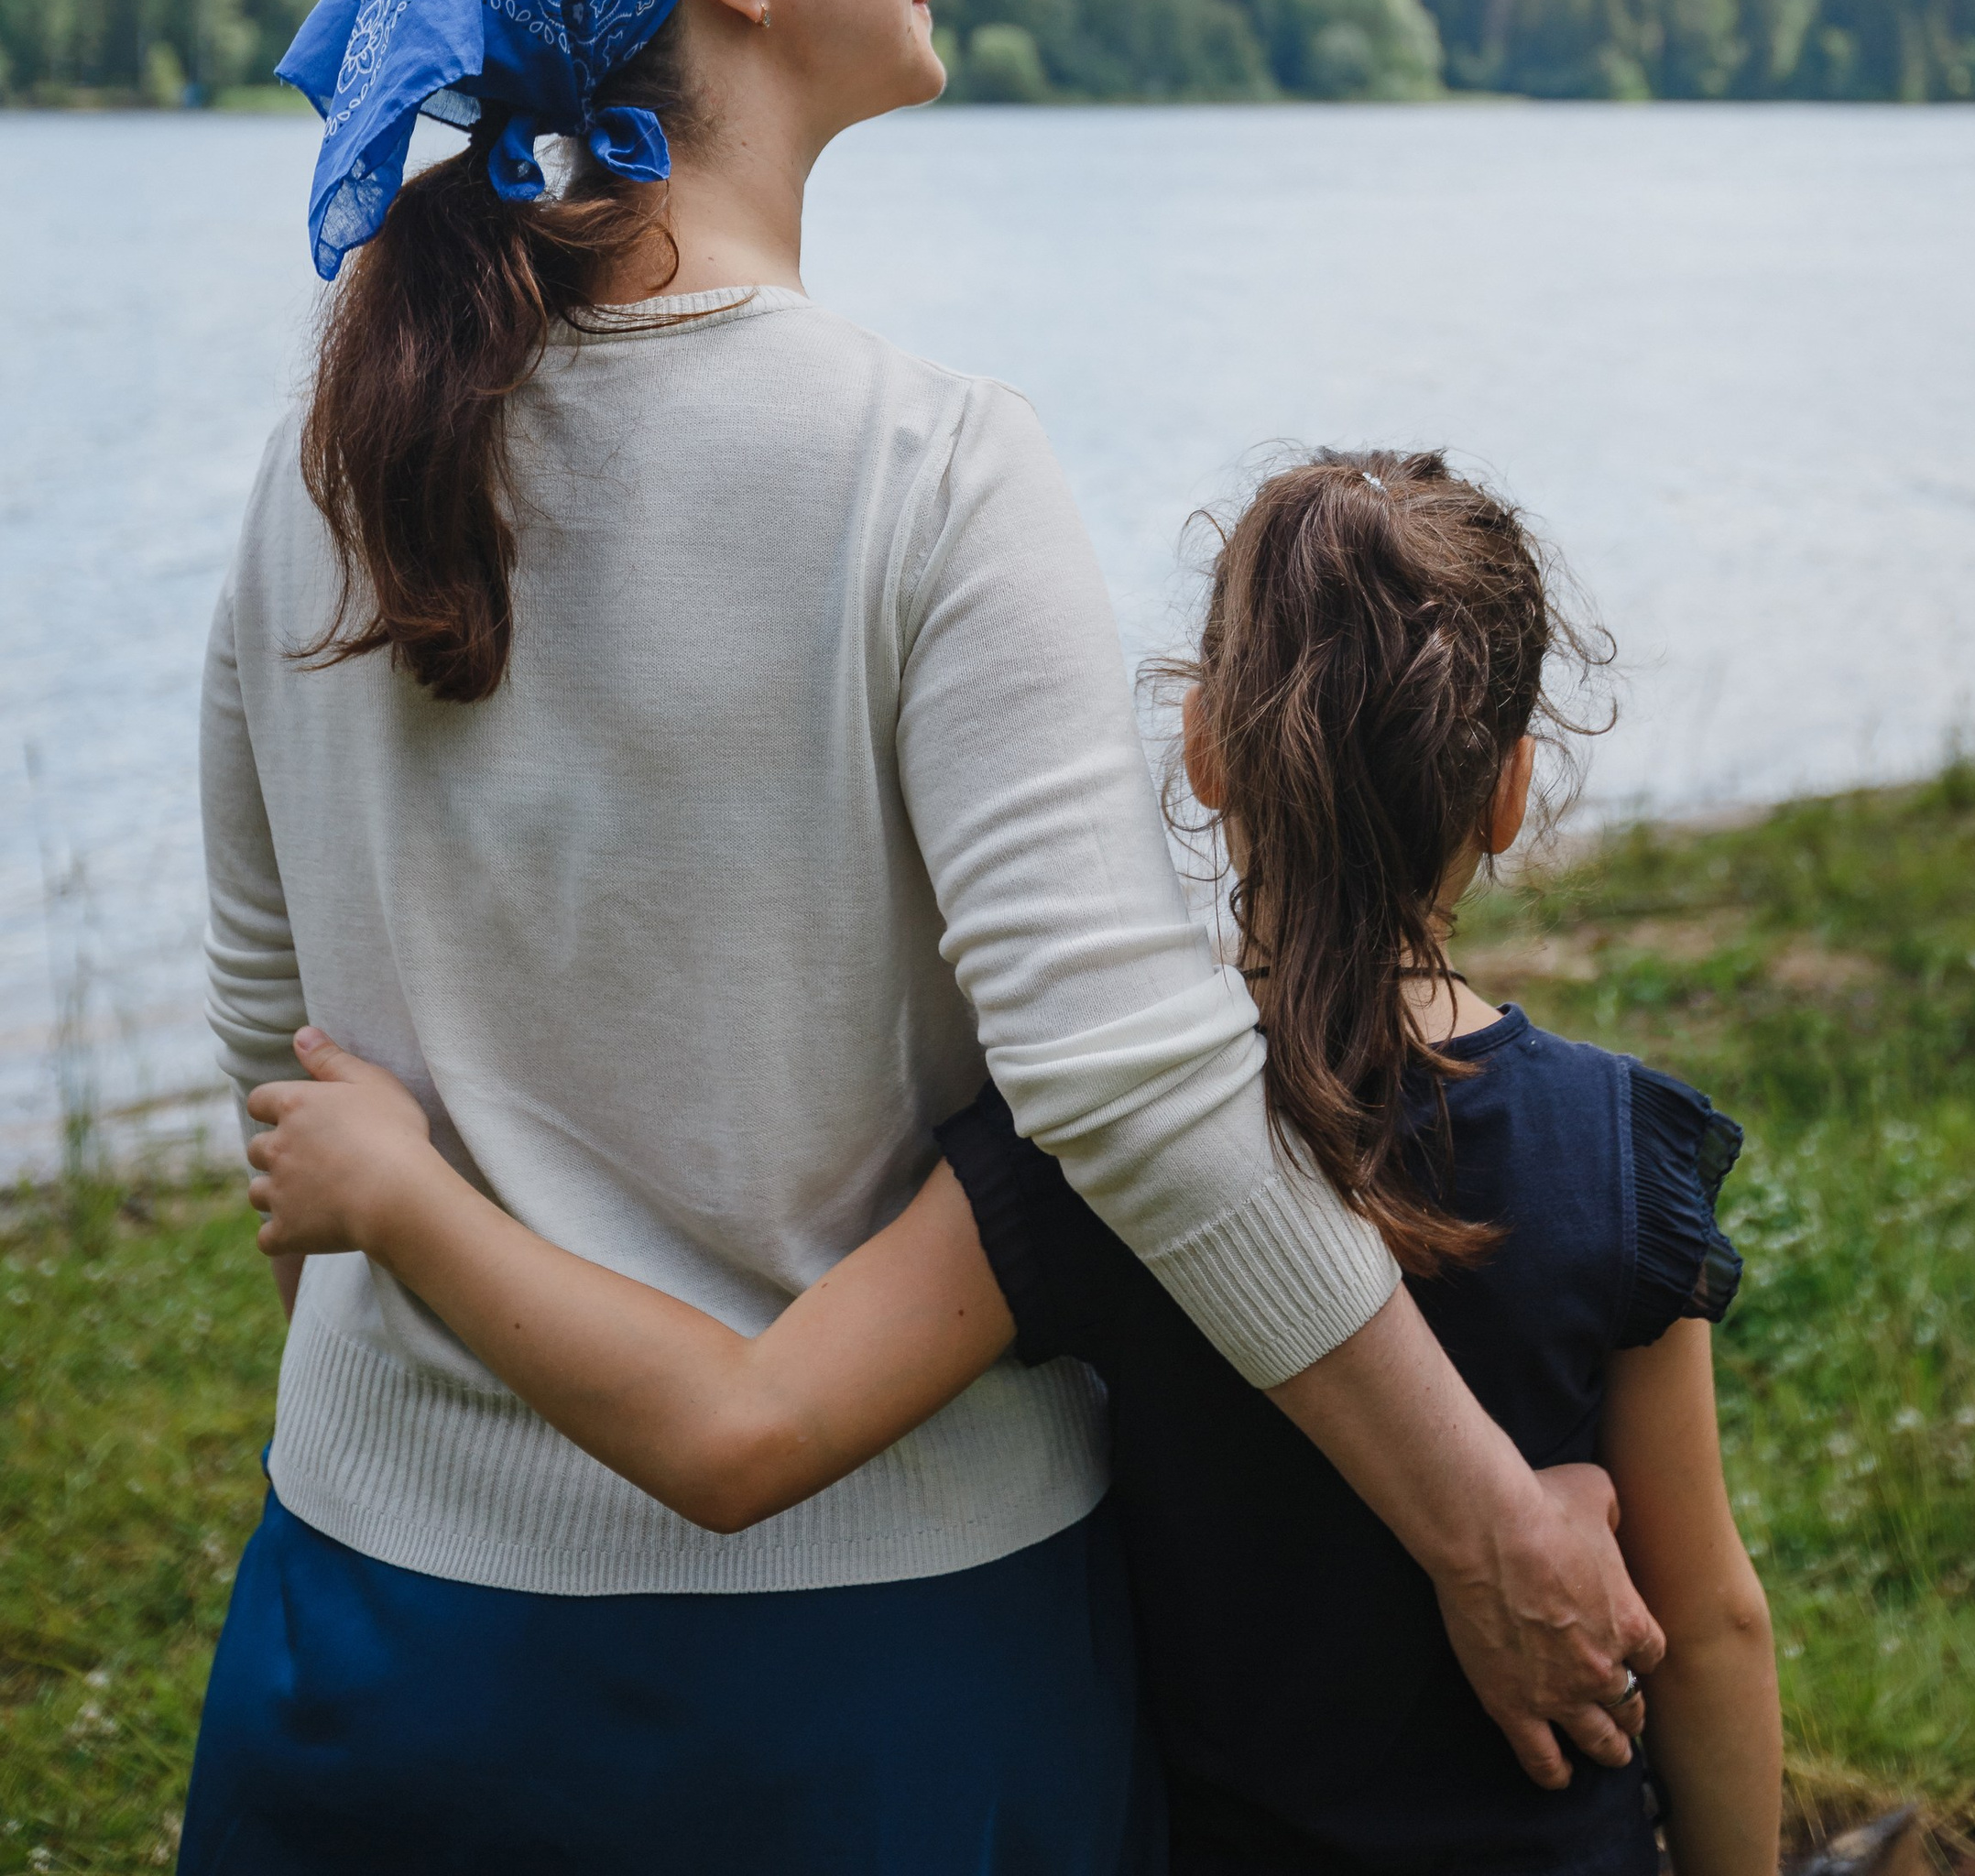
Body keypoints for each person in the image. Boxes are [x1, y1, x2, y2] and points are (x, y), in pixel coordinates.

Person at [182, 0, 1661, 1876]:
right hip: (854, 1689)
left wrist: (424, 1453)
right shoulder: (925, 467)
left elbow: (268, 1046)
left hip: (368, 1648)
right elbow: (1130, 1085)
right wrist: (1482, 1531)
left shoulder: (322, 471)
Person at [246, 446, 1781, 1876]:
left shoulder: (1092, 1156)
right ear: (1512, 791)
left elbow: (740, 1431)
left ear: (1199, 751)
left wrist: (401, 1197)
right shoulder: (1616, 1150)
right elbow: (1710, 1625)